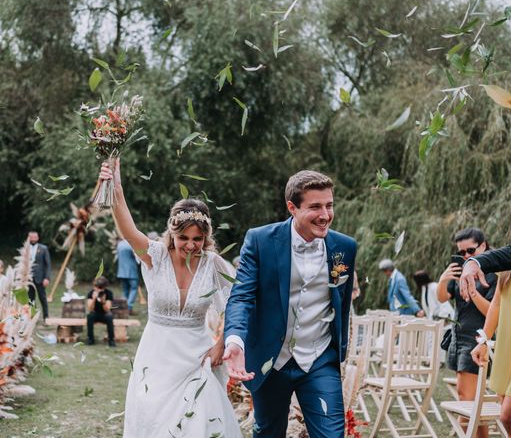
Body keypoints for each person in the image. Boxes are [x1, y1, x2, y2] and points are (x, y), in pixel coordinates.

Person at [98, 159, 242, 438]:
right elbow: (128, 229)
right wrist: (115, 183)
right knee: (155, 424)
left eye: (197, 238)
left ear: (206, 237)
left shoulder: (214, 264)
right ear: (172, 233)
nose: (190, 245)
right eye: (183, 237)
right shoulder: (156, 256)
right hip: (157, 357)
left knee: (198, 426)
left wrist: (220, 345)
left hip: (198, 357)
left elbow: (236, 306)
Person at [223, 169, 357, 438]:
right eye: (315, 206)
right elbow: (242, 296)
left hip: (319, 359)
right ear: (292, 207)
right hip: (271, 361)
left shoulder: (345, 247)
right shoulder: (260, 240)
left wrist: (338, 350)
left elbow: (341, 303)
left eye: (329, 205)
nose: (325, 215)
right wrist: (235, 340)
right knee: (268, 433)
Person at [438, 227, 497, 438]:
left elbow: (492, 311)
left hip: (476, 340)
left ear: (483, 246)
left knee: (466, 401)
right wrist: (444, 279)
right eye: (461, 253)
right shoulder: (462, 270)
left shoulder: (493, 273)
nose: (466, 257)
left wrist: (472, 291)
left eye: (470, 251)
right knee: (471, 401)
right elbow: (442, 298)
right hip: (457, 337)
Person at [471, 270, 511, 434]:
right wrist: (483, 340)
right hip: (507, 349)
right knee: (509, 421)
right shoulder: (507, 268)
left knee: (507, 415)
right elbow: (496, 304)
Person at [27, 231, 51, 322]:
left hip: (40, 278)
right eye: (31, 237)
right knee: (30, 298)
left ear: (37, 238)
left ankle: (46, 316)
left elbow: (48, 265)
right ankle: (33, 317)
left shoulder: (44, 248)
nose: (33, 239)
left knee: (42, 297)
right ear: (28, 238)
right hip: (29, 277)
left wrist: (47, 278)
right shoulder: (25, 248)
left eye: (34, 237)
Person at [86, 276, 115, 346]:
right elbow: (90, 309)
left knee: (110, 317)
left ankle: (111, 340)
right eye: (97, 287)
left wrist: (103, 302)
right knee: (89, 316)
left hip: (105, 314)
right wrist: (93, 299)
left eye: (100, 288)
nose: (99, 290)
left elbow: (107, 309)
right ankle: (90, 339)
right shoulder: (91, 293)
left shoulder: (108, 293)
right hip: (95, 313)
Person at [116, 236, 140, 314]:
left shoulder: (119, 244)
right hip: (131, 271)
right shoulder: (131, 244)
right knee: (133, 289)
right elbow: (137, 254)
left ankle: (123, 308)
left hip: (122, 271)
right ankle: (129, 308)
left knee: (125, 291)